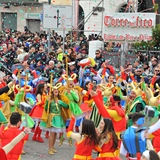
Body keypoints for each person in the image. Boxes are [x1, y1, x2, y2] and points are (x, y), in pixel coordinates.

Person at [40, 85, 69, 155]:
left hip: (58, 118)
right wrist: (47, 102)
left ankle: (52, 147)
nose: (56, 91)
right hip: (52, 118)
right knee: (52, 134)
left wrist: (60, 102)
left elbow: (67, 106)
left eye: (57, 90)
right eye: (54, 90)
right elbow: (46, 109)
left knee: (55, 133)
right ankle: (50, 148)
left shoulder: (61, 99)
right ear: (52, 92)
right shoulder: (50, 99)